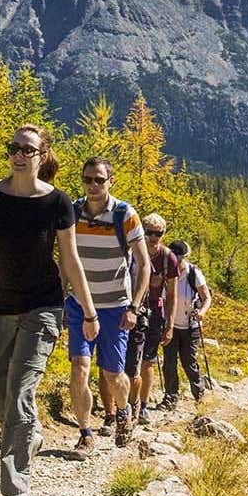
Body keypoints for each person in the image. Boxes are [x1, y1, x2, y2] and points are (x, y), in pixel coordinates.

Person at [0, 125, 96, 496]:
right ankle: (31, 434)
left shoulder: (58, 202)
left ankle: (16, 484)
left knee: (21, 390)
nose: (18, 155)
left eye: (27, 149)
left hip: (43, 306)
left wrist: (89, 310)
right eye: (13, 147)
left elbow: (70, 260)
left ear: (43, 155)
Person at [66, 158, 153, 452]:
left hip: (115, 306)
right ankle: (85, 432)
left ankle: (124, 413)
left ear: (110, 181)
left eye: (99, 180)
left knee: (114, 374)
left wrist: (134, 308)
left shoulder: (124, 214)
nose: (93, 185)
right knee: (80, 368)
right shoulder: (73, 212)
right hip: (80, 303)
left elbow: (144, 264)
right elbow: (65, 258)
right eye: (88, 179)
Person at [127, 213, 179, 427]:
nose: (153, 237)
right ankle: (128, 403)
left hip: (155, 313)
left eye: (158, 233)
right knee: (129, 360)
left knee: (148, 361)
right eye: (148, 232)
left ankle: (143, 406)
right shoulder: (131, 253)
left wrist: (170, 325)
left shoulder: (168, 258)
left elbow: (172, 295)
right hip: (131, 309)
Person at [160, 240, 213, 410]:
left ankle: (199, 393)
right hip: (170, 325)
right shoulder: (166, 273)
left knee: (188, 361)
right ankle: (170, 398)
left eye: (179, 258)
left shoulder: (193, 273)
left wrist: (202, 312)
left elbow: (206, 298)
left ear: (184, 257)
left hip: (191, 326)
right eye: (173, 258)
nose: (176, 261)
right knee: (169, 362)